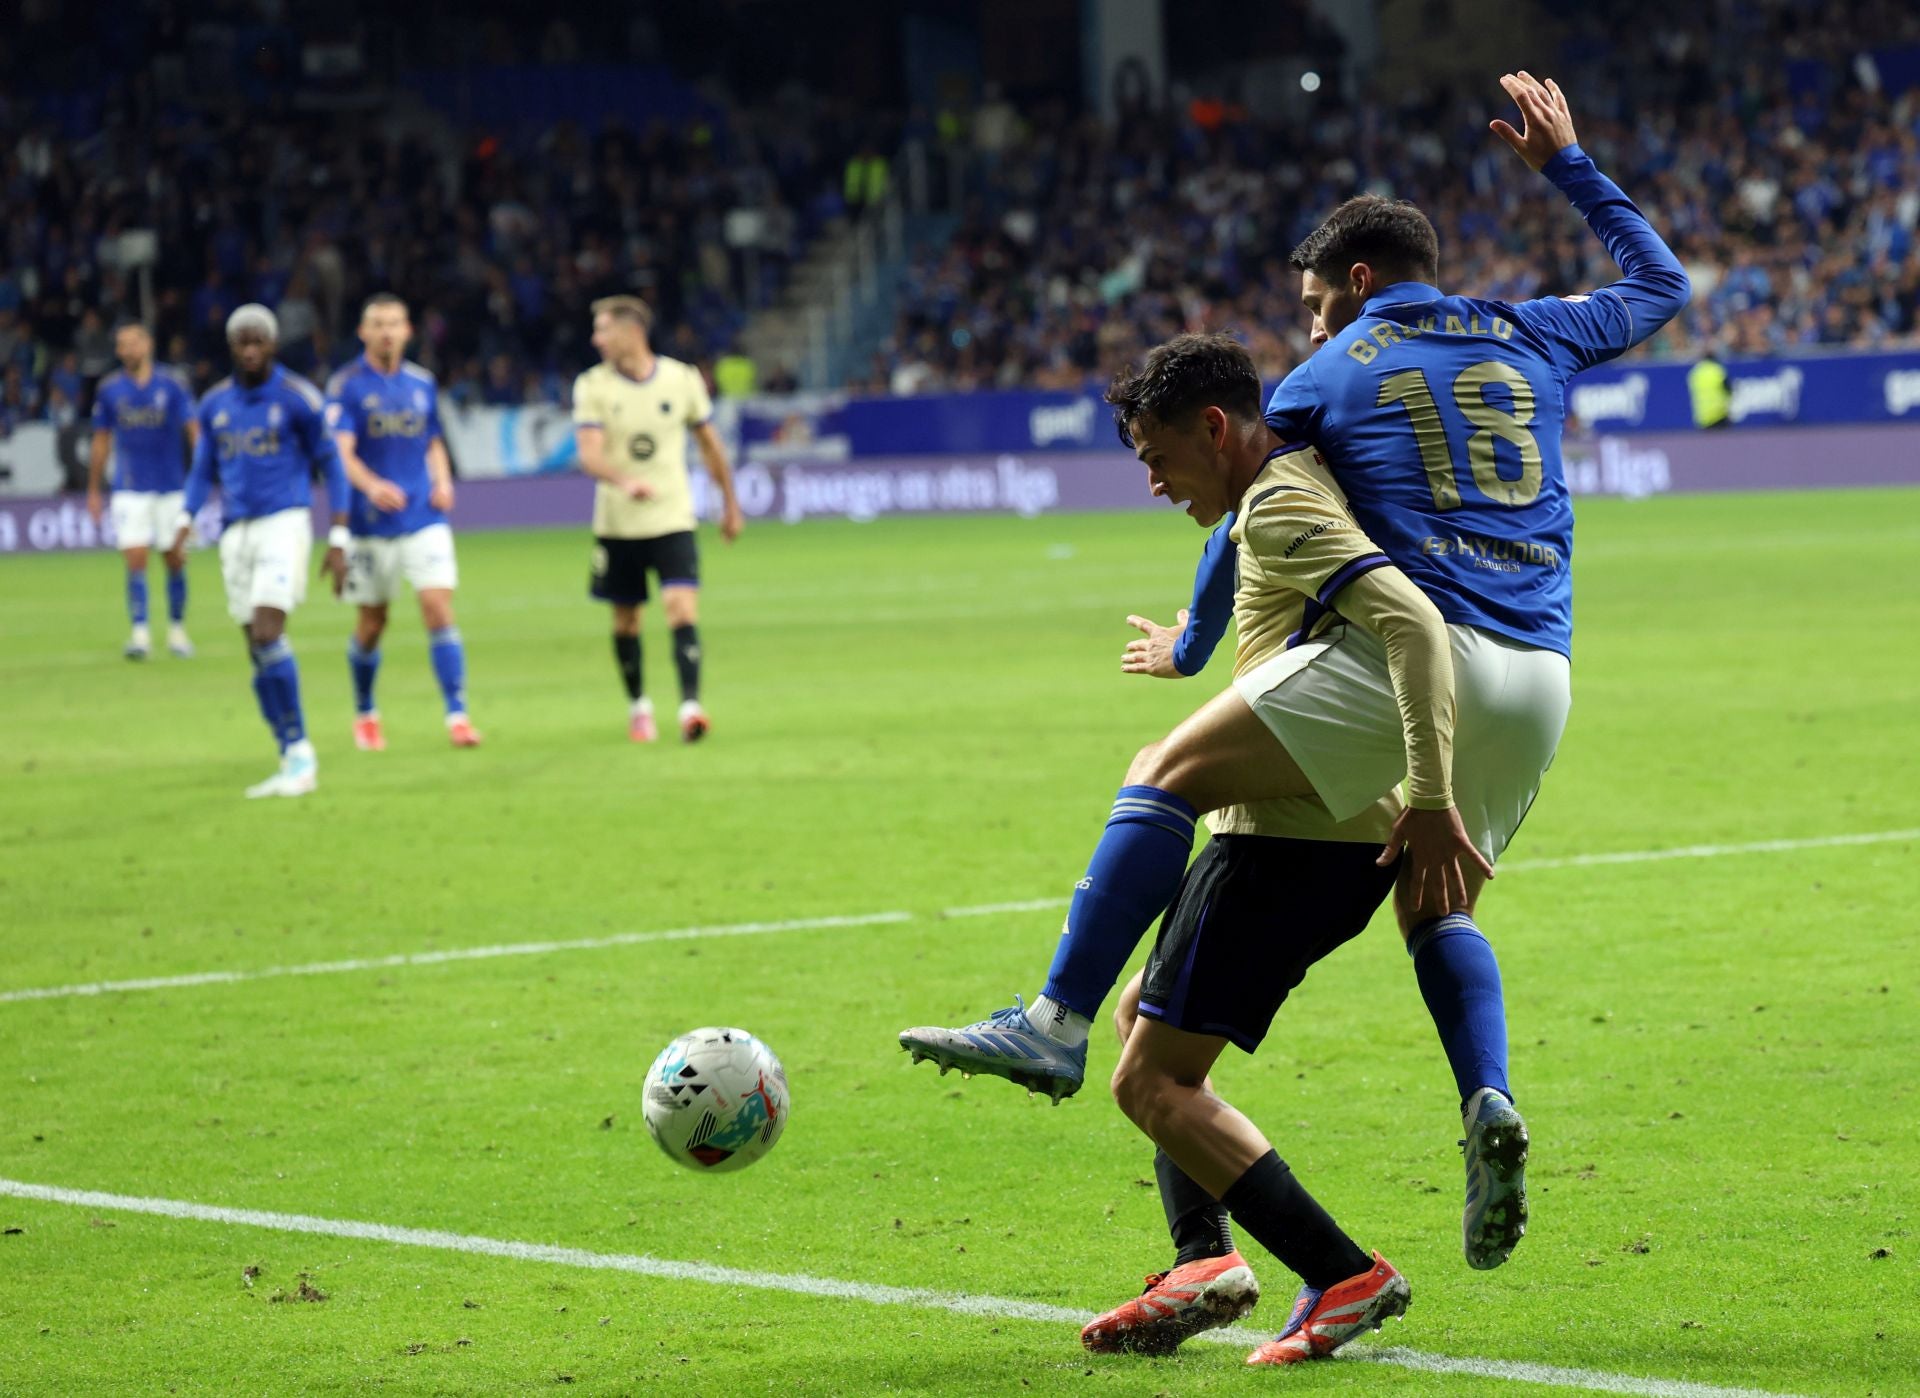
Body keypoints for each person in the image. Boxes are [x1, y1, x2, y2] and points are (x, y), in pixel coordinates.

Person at [904, 73, 1689, 1273]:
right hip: (1544, 675)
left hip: (1422, 652)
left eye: (1318, 303)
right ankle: (1487, 1096)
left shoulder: (1326, 376)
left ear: (1359, 284)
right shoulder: (1532, 329)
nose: (1311, 326)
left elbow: (1254, 505)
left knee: (1166, 767)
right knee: (1440, 899)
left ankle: (1054, 1022)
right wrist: (1567, 167)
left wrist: (1192, 642)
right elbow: (1662, 286)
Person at [168, 305, 349, 798]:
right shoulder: (215, 404)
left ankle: (302, 753)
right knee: (255, 647)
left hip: (283, 524)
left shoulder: (298, 399)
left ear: (273, 345)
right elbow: (203, 468)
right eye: (242, 342)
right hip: (234, 533)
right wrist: (184, 522)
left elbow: (332, 468)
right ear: (232, 347)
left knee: (269, 634)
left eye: (259, 342)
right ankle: (286, 749)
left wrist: (338, 536)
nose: (250, 351)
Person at [570, 295, 745, 743]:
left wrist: (730, 504)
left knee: (680, 607)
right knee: (626, 621)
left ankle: (690, 707)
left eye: (603, 329)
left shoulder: (681, 380)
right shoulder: (593, 386)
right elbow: (588, 456)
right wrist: (624, 481)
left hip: (672, 516)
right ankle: (639, 706)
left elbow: (709, 446)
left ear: (631, 333)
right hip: (617, 523)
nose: (596, 339)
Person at [326, 294, 480, 750]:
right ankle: (365, 712)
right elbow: (341, 453)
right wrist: (371, 485)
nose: (387, 331)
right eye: (378, 324)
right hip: (370, 524)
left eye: (394, 323)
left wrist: (443, 480)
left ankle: (457, 715)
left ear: (409, 331)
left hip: (423, 516)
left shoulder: (422, 383)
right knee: (373, 622)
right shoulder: (347, 384)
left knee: (437, 607)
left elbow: (432, 440)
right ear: (363, 332)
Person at [86, 322, 198, 659]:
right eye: (121, 345)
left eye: (132, 343)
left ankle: (177, 630)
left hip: (171, 485)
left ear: (147, 345)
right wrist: (93, 488)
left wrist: (201, 478)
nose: (126, 350)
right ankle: (140, 634)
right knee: (135, 558)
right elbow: (101, 440)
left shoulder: (173, 385)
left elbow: (194, 431)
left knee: (174, 558)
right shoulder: (109, 390)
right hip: (129, 486)